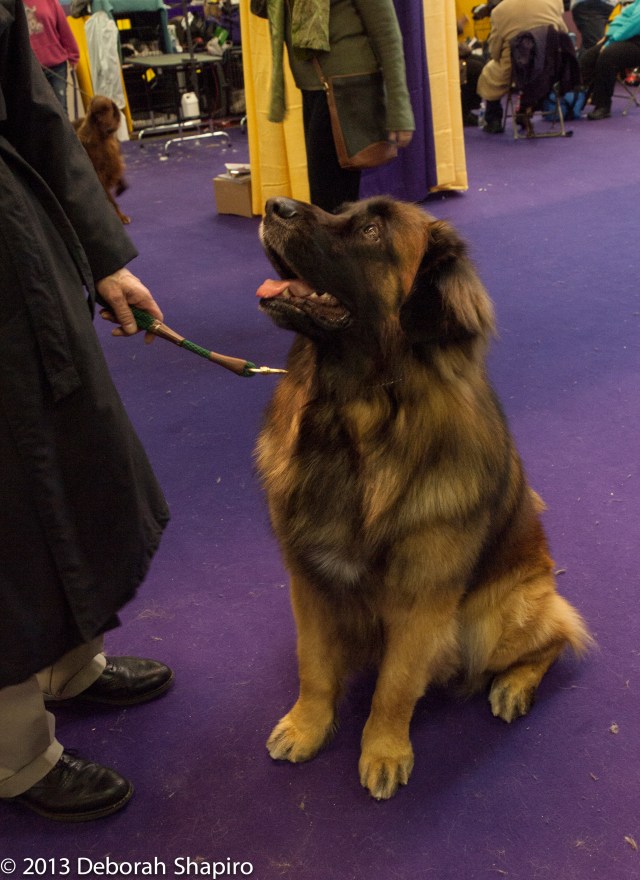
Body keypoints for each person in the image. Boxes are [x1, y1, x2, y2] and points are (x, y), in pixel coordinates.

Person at [0, 0, 173, 821]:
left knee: (71, 451)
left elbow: (31, 108)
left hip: (16, 241)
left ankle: (72, 666)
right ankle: (16, 754)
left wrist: (104, 257)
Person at [251, 0, 415, 214]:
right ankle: (343, 246)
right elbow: (264, 8)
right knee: (331, 203)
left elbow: (387, 34)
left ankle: (340, 247)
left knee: (330, 205)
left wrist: (399, 110)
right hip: (315, 89)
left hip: (347, 89)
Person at [477, 0, 568, 132]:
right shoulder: (555, 2)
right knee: (538, 74)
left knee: (489, 73)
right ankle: (526, 109)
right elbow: (563, 32)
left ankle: (493, 120)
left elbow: (494, 51)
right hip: (549, 66)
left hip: (515, 68)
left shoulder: (499, 11)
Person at [580, 0, 640, 118]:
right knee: (588, 57)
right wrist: (607, 37)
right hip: (621, 38)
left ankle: (603, 106)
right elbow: (618, 21)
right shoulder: (635, 3)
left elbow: (633, 25)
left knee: (608, 56)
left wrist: (610, 42)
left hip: (636, 43)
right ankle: (573, 102)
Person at [25, 0, 80, 112]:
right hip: (31, 70)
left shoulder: (50, 2)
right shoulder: (12, 5)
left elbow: (64, 28)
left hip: (57, 65)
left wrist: (74, 55)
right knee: (40, 114)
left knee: (61, 111)